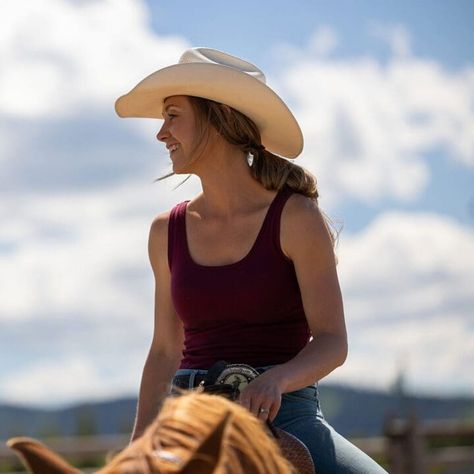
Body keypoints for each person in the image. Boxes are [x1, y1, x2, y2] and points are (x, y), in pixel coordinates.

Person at [115, 47, 387, 473]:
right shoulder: (164, 231)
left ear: (217, 116)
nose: (160, 133)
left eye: (172, 115)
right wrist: (138, 449)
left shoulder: (296, 217)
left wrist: (276, 379)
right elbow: (165, 351)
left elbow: (333, 342)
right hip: (187, 419)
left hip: (286, 417)